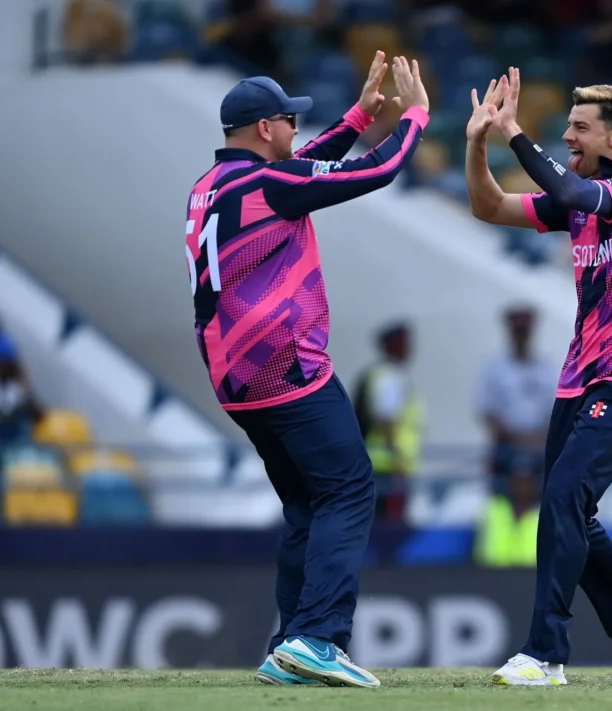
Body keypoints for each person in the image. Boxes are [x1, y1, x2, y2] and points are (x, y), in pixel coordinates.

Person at [184, 52, 429, 689]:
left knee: (306, 504)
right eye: (289, 120)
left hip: (234, 378)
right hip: (284, 365)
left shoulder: (211, 186)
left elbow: (303, 166)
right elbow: (375, 170)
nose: (296, 128)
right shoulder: (271, 184)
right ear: (265, 128)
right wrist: (414, 118)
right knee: (350, 489)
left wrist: (359, 117)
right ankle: (318, 637)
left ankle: (290, 644)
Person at [466, 68, 612, 686]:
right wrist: (478, 143)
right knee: (568, 510)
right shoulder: (578, 202)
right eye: (566, 127)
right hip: (579, 375)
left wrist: (513, 133)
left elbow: (574, 192)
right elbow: (488, 206)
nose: (567, 137)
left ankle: (545, 654)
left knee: (562, 498)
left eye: (579, 127)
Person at [476, 306, 558, 495]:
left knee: (542, 500)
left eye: (525, 330)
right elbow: (487, 411)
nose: (522, 336)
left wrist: (538, 437)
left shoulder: (546, 369)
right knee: (501, 500)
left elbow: (555, 409)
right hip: (506, 450)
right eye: (518, 330)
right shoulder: (495, 370)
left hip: (540, 449)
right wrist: (516, 438)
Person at [354, 321, 424, 525]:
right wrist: (397, 458)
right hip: (388, 464)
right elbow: (386, 419)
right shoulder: (389, 377)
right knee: (389, 525)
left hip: (385, 464)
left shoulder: (384, 375)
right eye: (405, 343)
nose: (410, 349)